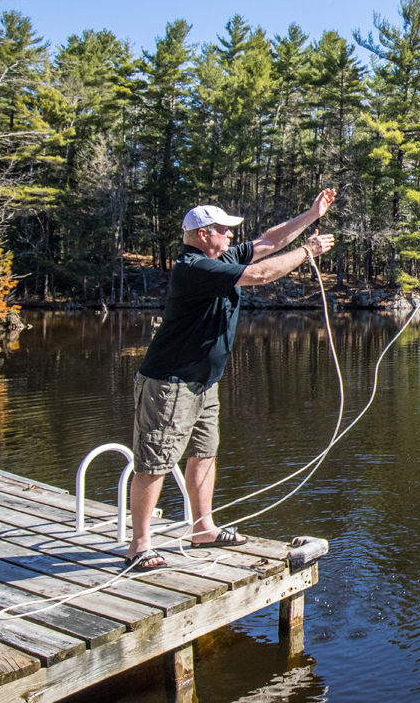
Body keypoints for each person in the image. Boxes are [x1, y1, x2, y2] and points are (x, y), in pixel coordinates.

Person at [126, 189, 337, 571]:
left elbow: (269, 241)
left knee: (204, 452)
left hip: (205, 380)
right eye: (224, 230)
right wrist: (308, 253)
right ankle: (140, 544)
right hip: (170, 382)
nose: (231, 237)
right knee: (154, 462)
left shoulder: (219, 256)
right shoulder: (196, 268)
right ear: (204, 234)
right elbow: (260, 273)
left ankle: (202, 528)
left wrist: (310, 214)